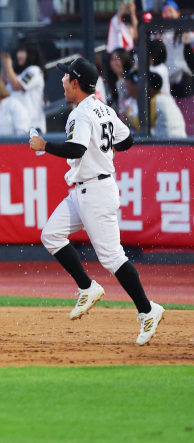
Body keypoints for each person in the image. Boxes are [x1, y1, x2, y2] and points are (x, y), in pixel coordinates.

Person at [29, 58, 165, 346]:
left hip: (96, 191)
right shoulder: (102, 107)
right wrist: (102, 148)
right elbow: (127, 140)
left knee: (113, 257)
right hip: (83, 190)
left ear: (75, 83)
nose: (63, 81)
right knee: (51, 235)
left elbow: (77, 148)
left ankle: (147, 309)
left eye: (66, 77)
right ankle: (87, 287)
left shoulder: (80, 114)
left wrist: (44, 146)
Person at [0, 42, 47, 133]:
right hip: (15, 126)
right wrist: (4, 67)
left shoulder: (35, 71)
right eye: (18, 51)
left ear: (30, 53)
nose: (18, 55)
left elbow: (17, 86)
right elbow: (0, 87)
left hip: (33, 126)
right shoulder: (15, 74)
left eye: (22, 51)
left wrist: (8, 66)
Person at [157, 1, 193, 98]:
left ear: (178, 13)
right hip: (166, 78)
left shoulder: (184, 32)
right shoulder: (158, 34)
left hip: (182, 75)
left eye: (170, 10)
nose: (167, 13)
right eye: (164, 11)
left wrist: (187, 41)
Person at [148, 71, 187, 137]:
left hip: (168, 143)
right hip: (181, 142)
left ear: (150, 89)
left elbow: (140, 126)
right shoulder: (167, 98)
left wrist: (128, 115)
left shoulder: (155, 101)